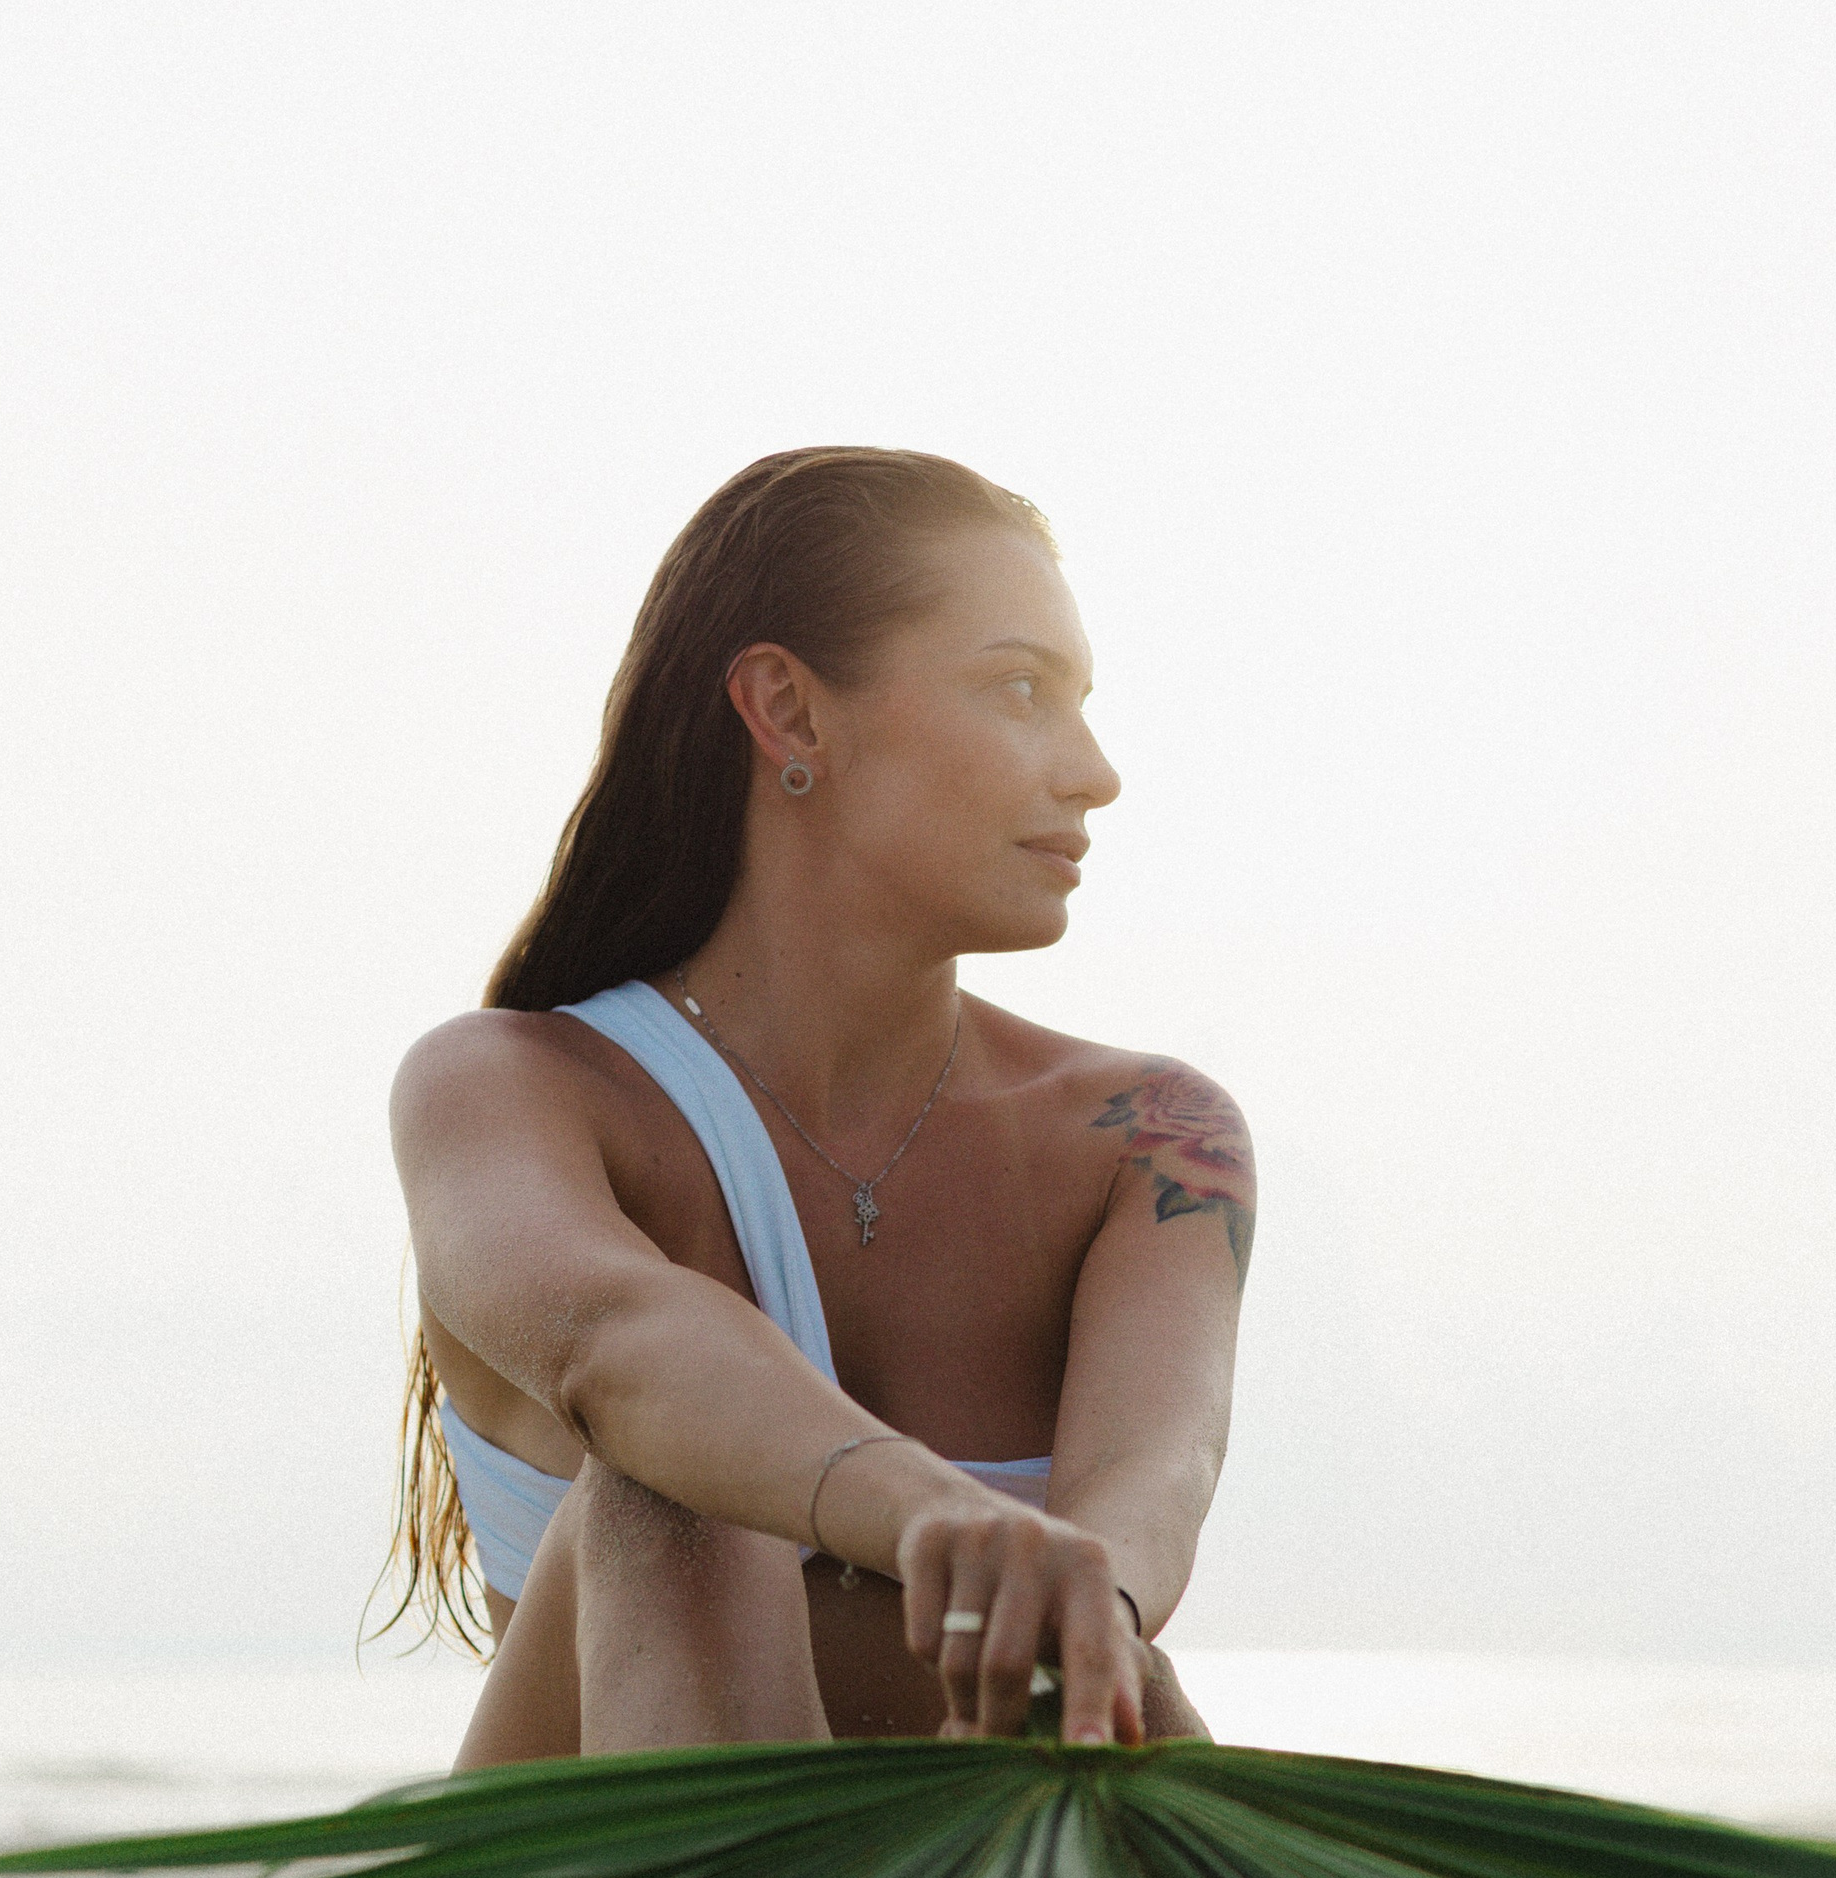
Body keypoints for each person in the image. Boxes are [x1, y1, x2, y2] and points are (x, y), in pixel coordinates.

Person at [382, 447, 1250, 1765]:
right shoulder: (510, 1090)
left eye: (1081, 704)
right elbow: (620, 1344)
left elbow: (1154, 1476)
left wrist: (1093, 1606)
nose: (1094, 772)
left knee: (1124, 1670)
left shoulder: (1148, 1139)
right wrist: (924, 1515)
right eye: (1021, 690)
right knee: (677, 1497)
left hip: (975, 1872)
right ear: (789, 713)